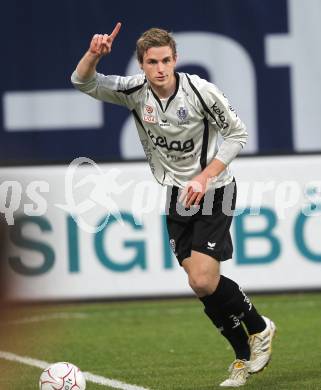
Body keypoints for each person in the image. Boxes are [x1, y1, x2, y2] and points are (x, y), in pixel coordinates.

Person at [71, 23, 276, 387]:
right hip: (176, 196)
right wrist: (93, 55)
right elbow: (83, 82)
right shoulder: (135, 92)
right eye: (152, 62)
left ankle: (259, 328)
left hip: (215, 189)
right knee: (201, 286)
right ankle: (242, 354)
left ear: (176, 59)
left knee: (201, 277)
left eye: (166, 60)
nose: (160, 68)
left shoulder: (200, 91)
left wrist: (205, 176)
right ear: (142, 65)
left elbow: (237, 134)